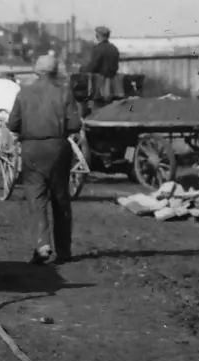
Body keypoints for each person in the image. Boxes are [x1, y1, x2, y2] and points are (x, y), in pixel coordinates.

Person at [8, 52, 79, 264]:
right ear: (55, 71)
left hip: (31, 150)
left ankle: (42, 245)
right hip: (58, 148)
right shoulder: (64, 92)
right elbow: (75, 124)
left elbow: (12, 124)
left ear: (36, 71)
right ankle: (64, 250)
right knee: (60, 198)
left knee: (36, 197)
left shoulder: (23, 93)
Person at [82, 26, 123, 110]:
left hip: (101, 83)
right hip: (114, 83)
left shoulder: (98, 49)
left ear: (99, 36)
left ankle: (90, 112)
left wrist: (82, 69)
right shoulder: (114, 48)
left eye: (97, 34)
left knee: (94, 103)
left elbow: (93, 67)